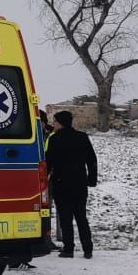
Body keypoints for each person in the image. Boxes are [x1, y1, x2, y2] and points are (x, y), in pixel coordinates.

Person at [44, 109, 97, 259]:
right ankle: (88, 249)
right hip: (80, 183)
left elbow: (48, 162)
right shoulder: (82, 137)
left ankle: (69, 248)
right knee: (81, 216)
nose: (53, 124)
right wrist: (91, 179)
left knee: (65, 218)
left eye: (54, 121)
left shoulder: (54, 140)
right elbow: (92, 160)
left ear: (60, 123)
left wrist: (43, 178)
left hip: (61, 183)